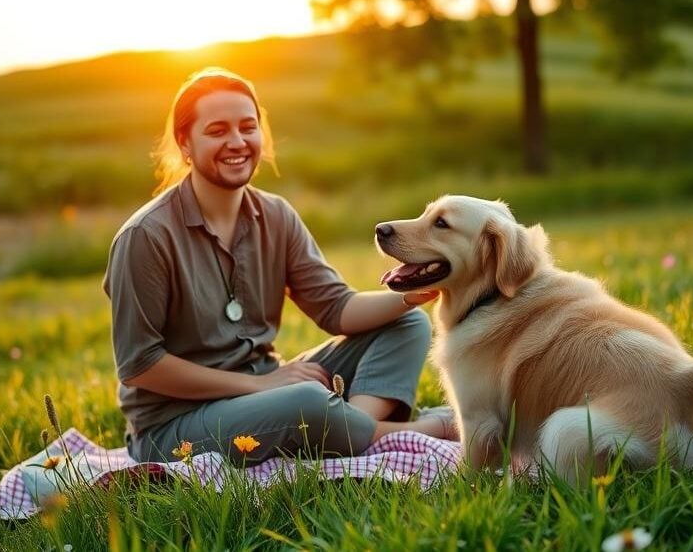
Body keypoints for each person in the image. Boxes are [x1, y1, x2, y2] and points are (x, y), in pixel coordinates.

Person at [104, 67, 454, 464]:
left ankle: (348, 428)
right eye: (217, 131)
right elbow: (140, 366)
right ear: (185, 143)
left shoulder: (276, 215)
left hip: (268, 391)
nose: (237, 142)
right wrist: (265, 385)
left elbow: (337, 309)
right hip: (173, 426)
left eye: (247, 127)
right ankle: (407, 431)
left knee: (408, 324)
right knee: (306, 400)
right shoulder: (145, 237)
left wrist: (420, 293)